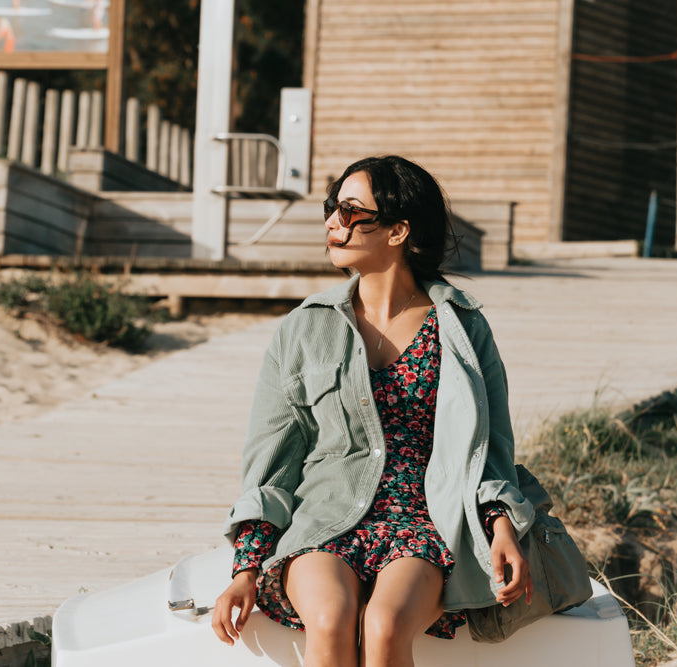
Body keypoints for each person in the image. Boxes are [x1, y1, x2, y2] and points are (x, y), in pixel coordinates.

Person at [212, 155, 536, 667]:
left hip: (424, 521)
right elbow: (272, 460)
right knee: (331, 619)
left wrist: (501, 527)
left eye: (350, 210)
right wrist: (245, 568)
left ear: (398, 231)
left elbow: (490, 449)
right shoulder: (303, 330)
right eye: (331, 208)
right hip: (322, 518)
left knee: (384, 627)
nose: (332, 223)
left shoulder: (462, 328)